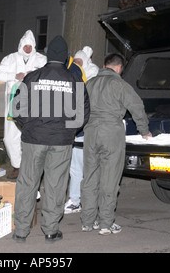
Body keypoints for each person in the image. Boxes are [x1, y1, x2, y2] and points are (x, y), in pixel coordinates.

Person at [12, 35, 90, 244]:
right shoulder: (75, 80)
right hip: (61, 142)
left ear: (48, 56)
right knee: (55, 185)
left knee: (28, 182)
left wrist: (31, 125)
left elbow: (17, 108)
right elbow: (83, 114)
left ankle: (20, 231)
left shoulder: (33, 77)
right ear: (65, 57)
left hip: (33, 139)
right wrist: (67, 131)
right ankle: (50, 230)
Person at [80, 53, 151, 235]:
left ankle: (88, 221)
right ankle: (106, 223)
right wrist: (144, 131)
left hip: (90, 132)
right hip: (111, 132)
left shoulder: (89, 83)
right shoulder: (120, 84)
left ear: (104, 65)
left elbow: (79, 108)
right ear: (119, 67)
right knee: (110, 179)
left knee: (89, 178)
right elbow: (137, 106)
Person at [0, 30, 47, 179]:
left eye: (30, 46)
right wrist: (13, 76)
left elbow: (49, 75)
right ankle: (17, 165)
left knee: (33, 135)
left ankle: (32, 167)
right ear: (21, 45)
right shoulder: (10, 58)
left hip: (34, 102)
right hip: (13, 102)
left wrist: (34, 74)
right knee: (10, 136)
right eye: (25, 46)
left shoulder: (41, 59)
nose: (28, 49)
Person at [64, 47, 100, 214]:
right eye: (76, 62)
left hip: (86, 131)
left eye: (81, 62)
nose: (77, 65)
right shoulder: (73, 77)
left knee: (85, 167)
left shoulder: (92, 78)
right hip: (75, 131)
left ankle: (82, 200)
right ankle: (76, 200)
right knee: (75, 168)